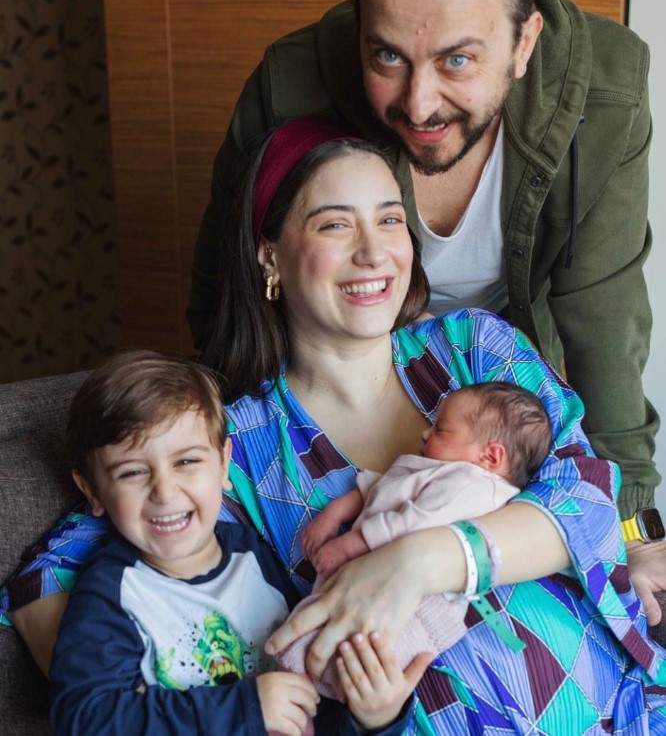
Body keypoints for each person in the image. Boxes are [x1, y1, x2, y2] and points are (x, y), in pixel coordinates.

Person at [2, 117, 666, 734]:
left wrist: (413, 563)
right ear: (269, 257)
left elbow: (587, 495)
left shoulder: (474, 348)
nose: (374, 252)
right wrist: (177, 701)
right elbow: (48, 575)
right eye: (335, 225)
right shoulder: (230, 445)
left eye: (390, 219)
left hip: (625, 704)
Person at [186, 0, 665, 607]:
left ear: (524, 43)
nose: (418, 103)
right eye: (388, 56)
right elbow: (221, 296)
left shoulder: (607, 91)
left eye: (458, 60)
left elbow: (605, 318)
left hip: (492, 392)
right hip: (334, 391)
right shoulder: (287, 89)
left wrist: (637, 529)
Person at [50, 350, 423, 736]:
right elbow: (84, 719)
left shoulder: (253, 555)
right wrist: (245, 707)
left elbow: (315, 696)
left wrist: (374, 719)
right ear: (92, 490)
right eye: (132, 472)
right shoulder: (112, 592)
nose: (165, 491)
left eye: (186, 462)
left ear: (224, 464)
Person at [278, 381, 552, 696]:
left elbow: (414, 524)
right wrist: (334, 513)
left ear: (490, 456)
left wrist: (348, 545)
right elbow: (384, 490)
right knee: (312, 642)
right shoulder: (441, 473)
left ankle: (307, 692)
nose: (425, 433)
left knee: (346, 658)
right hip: (374, 586)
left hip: (416, 608)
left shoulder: (472, 486)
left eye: (441, 430)